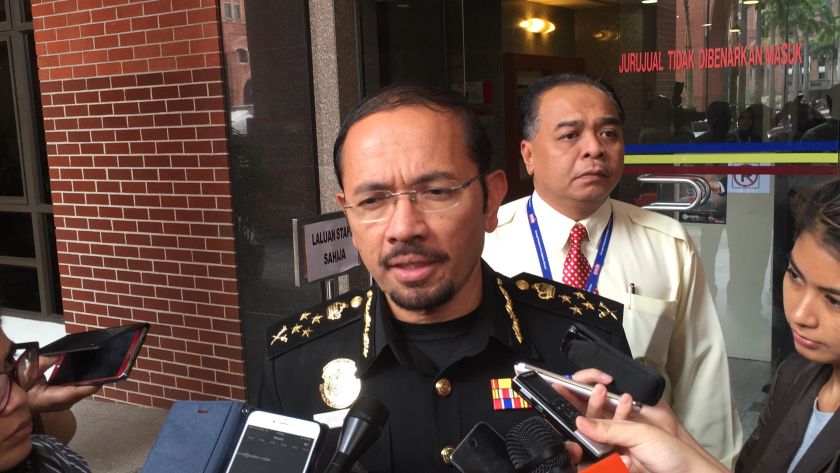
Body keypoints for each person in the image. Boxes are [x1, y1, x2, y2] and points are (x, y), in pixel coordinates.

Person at [258, 85, 633, 472]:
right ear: (348, 217)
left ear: (490, 201)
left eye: (436, 191)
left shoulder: (587, 343)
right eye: (372, 200)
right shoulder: (294, 365)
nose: (403, 228)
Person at [482, 73, 741, 465]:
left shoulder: (667, 244)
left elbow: (703, 383)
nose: (594, 149)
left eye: (608, 134)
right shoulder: (484, 245)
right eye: (570, 135)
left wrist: (709, 464)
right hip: (522, 456)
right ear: (528, 154)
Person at [574, 178, 840, 473]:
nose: (801, 314)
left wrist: (688, 465)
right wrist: (674, 434)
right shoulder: (794, 375)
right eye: (795, 276)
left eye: (834, 300)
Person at [0, 326, 91, 472]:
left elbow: (67, 427)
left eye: (10, 362)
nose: (22, 397)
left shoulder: (51, 454)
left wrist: (35, 407)